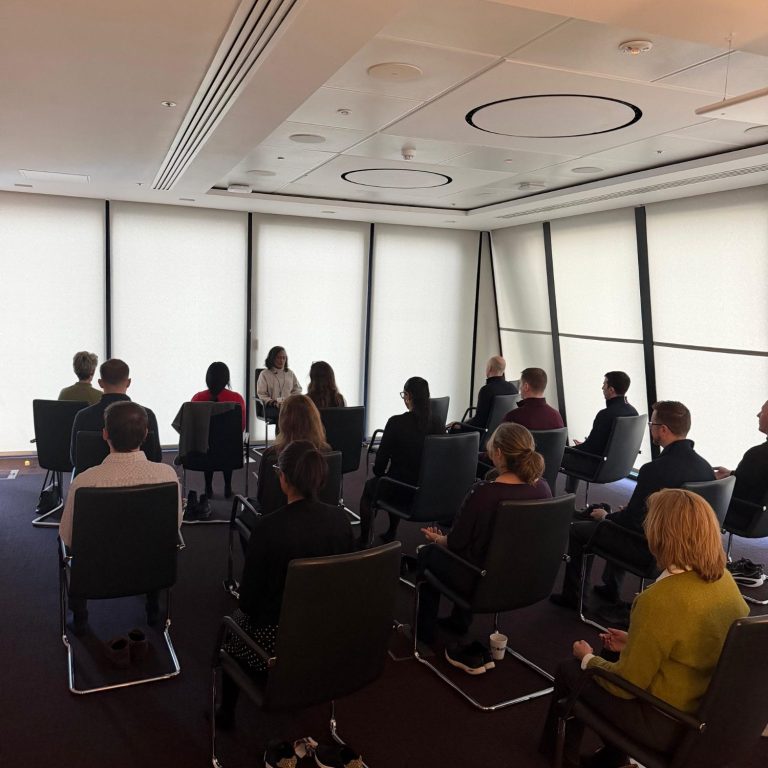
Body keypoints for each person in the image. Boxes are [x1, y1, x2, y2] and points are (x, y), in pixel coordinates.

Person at [540, 489, 749, 768]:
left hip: (665, 721)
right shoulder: (723, 580)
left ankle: (562, 760)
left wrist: (587, 658)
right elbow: (696, 641)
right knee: (611, 655)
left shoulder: (660, 600)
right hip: (703, 714)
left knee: (570, 670)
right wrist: (634, 641)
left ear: (660, 534)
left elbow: (627, 686)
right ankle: (612, 759)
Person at [216, 440, 354, 730]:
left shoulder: (268, 528)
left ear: (283, 478)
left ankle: (226, 714)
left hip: (276, 640)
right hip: (329, 634)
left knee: (232, 628)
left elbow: (248, 603)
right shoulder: (341, 521)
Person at [551, 400, 715, 609]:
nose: (651, 428)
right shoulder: (705, 468)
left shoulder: (654, 470)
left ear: (663, 430)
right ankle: (611, 589)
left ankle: (573, 597)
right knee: (618, 520)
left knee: (581, 530)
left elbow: (633, 522)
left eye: (652, 424)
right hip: (687, 550)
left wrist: (606, 517)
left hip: (651, 550)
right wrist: (627, 514)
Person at [416, 423, 552, 650]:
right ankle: (459, 621)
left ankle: (424, 633)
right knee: (480, 553)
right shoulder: (543, 489)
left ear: (498, 453)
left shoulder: (484, 493)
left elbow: (457, 543)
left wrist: (438, 540)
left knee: (428, 555)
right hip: (526, 578)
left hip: (481, 581)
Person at [60, 401, 181, 632]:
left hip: (96, 572)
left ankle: (80, 616)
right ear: (146, 434)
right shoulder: (167, 475)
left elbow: (68, 537)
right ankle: (153, 606)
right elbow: (173, 526)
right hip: (152, 568)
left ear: (105, 434)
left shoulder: (84, 481)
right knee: (153, 541)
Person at [358, 377, 444, 546]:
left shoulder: (396, 423)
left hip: (401, 491)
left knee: (371, 488)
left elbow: (379, 467)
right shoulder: (438, 423)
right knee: (394, 479)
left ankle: (363, 540)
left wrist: (382, 472)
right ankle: (391, 531)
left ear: (408, 396)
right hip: (430, 494)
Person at [70, 358, 162, 471]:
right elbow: (156, 458)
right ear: (128, 382)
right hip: (141, 480)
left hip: (94, 481)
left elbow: (75, 459)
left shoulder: (83, 417)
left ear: (100, 383)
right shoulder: (146, 416)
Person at [252, 394, 330, 522]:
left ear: (283, 421)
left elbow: (262, 498)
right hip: (320, 522)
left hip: (278, 524)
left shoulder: (272, 455)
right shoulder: (326, 452)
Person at [561, 371, 638, 493]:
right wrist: (584, 446)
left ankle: (564, 496)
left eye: (604, 384)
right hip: (620, 466)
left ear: (611, 390)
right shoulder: (633, 412)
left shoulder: (605, 414)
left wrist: (568, 449)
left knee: (557, 455)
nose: (602, 388)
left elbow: (590, 448)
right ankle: (569, 496)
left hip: (598, 466)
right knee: (575, 452)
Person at [190, 361, 246, 498]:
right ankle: (228, 486)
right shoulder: (237, 399)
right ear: (227, 379)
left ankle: (208, 487)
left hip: (203, 452)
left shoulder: (197, 398)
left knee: (208, 443)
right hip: (230, 452)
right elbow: (241, 427)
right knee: (227, 445)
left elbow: (192, 426)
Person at [714, 399, 768, 507]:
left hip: (742, 513)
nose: (758, 415)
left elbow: (737, 491)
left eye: (762, 411)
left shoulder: (757, 455)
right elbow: (756, 479)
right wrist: (731, 474)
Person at [448, 355, 517, 431]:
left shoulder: (486, 390)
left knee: (452, 428)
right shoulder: (513, 388)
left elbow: (479, 422)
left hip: (483, 433)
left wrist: (460, 425)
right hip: (501, 432)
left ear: (489, 368)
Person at [256, 346, 302, 424]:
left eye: (284, 358)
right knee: (284, 413)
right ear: (272, 358)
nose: (281, 360)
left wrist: (291, 400)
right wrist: (274, 403)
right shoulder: (264, 374)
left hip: (288, 405)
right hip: (271, 407)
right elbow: (262, 394)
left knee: (301, 411)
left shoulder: (289, 373)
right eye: (279, 358)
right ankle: (283, 432)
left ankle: (293, 432)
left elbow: (297, 389)